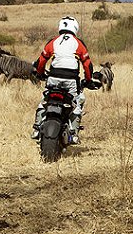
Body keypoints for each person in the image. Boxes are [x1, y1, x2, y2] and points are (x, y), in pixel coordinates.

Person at [31, 16, 94, 144]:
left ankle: (37, 128)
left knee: (44, 101)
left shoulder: (53, 41)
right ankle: (73, 133)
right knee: (77, 102)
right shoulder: (79, 43)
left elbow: (42, 60)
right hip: (71, 81)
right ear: (75, 28)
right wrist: (88, 80)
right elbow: (87, 65)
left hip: (53, 78)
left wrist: (39, 73)